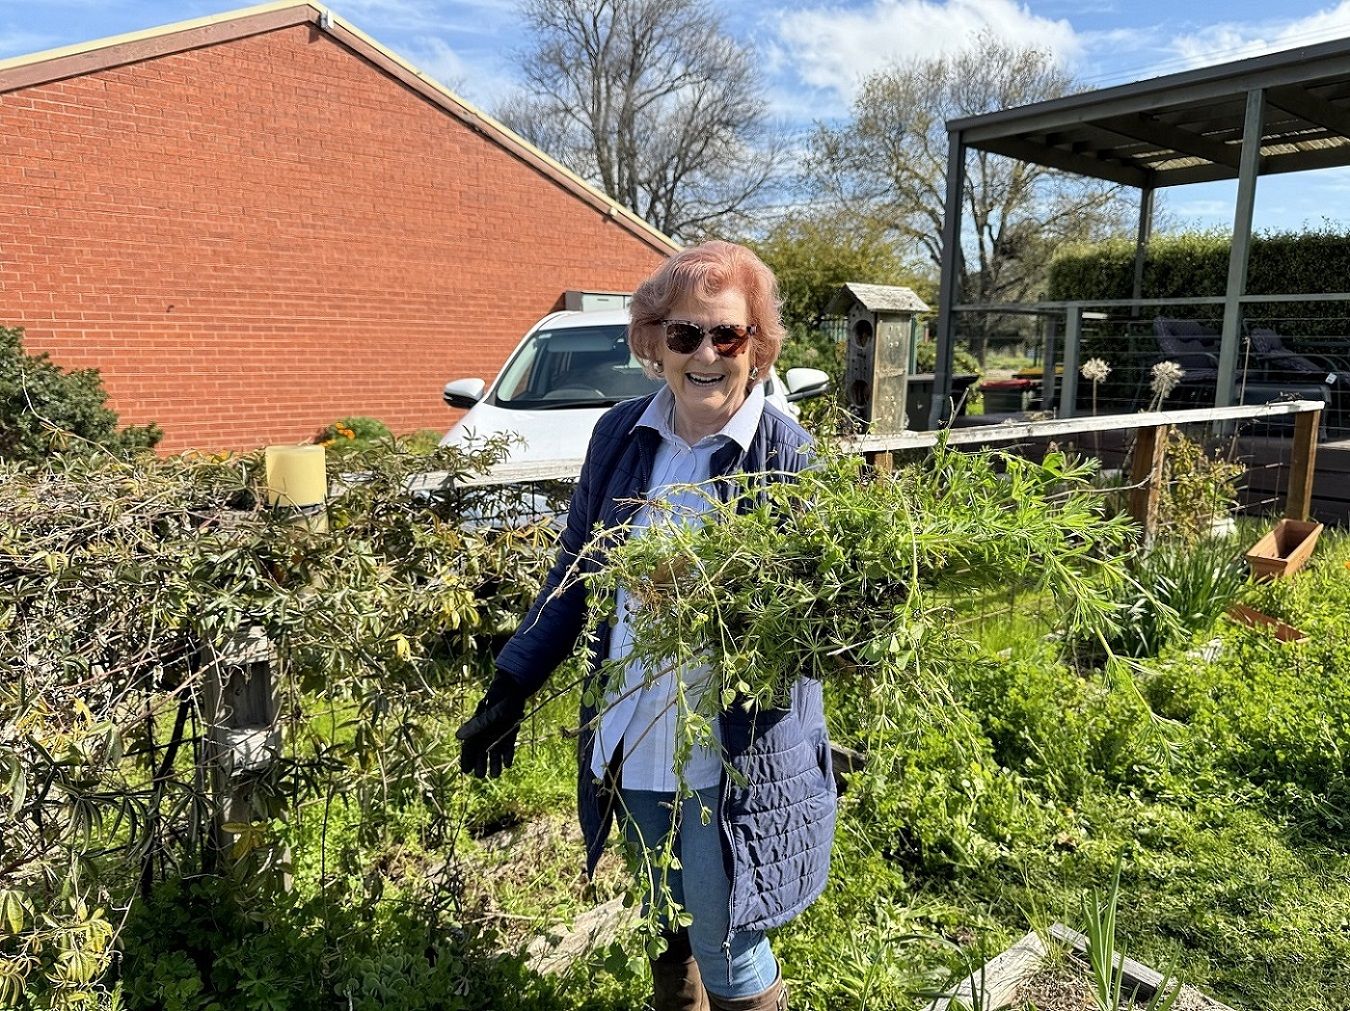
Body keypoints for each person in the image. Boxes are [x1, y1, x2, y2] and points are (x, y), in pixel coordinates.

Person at [457, 241, 836, 1011]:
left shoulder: (788, 456)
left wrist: (724, 601)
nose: (706, 354)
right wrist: (511, 682)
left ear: (757, 348)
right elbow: (575, 572)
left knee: (726, 939)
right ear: (654, 342)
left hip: (730, 751)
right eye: (685, 333)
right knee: (664, 920)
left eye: (727, 335)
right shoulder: (621, 435)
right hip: (632, 734)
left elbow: (816, 626)